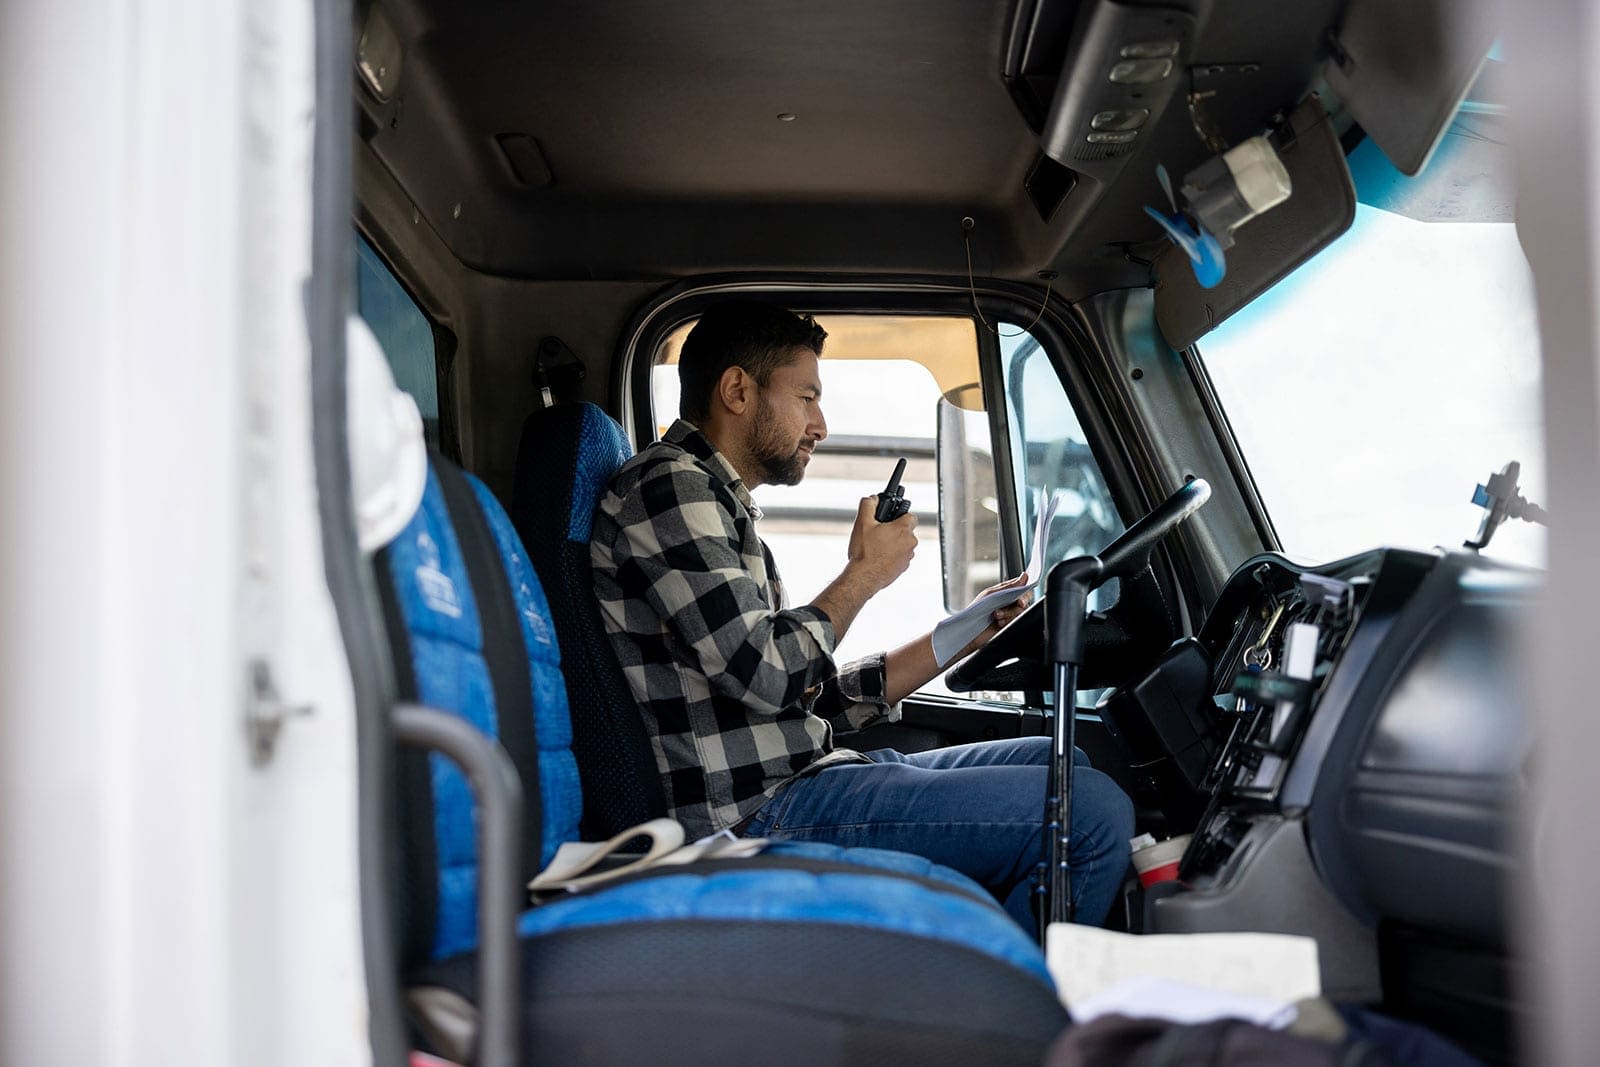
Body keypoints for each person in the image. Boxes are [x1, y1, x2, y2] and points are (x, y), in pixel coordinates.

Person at [590, 299, 1134, 929]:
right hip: (760, 813)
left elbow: (803, 698)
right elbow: (767, 672)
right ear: (737, 390)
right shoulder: (669, 487)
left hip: (801, 778)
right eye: (806, 397)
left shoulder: (717, 505)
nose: (820, 424)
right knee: (1090, 812)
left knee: (1062, 761)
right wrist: (864, 575)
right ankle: (1006, 1015)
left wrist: (969, 633)